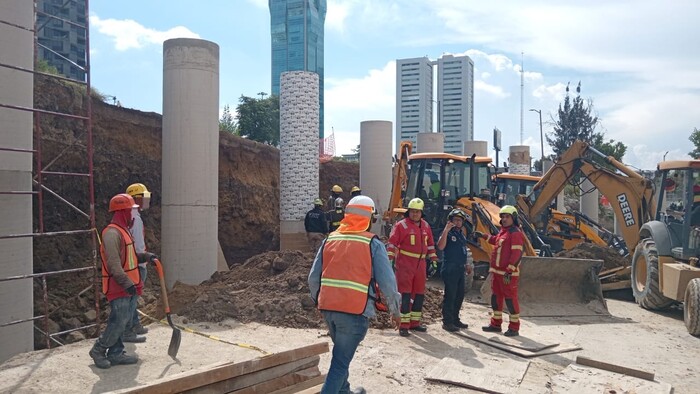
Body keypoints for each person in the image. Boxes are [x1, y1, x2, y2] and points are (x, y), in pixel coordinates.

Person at [309, 195, 401, 394]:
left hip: (329, 310)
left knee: (341, 355)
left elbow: (313, 279)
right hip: (354, 312)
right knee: (340, 363)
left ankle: (344, 391)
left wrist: (318, 301)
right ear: (369, 218)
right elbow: (387, 282)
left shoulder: (330, 239)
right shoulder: (372, 244)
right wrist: (396, 310)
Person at [89, 194, 156, 369]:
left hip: (129, 285)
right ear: (123, 212)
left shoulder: (124, 231)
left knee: (122, 320)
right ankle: (98, 349)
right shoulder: (112, 233)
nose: (134, 215)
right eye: (131, 211)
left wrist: (145, 256)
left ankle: (116, 353)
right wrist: (127, 283)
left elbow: (130, 258)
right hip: (118, 286)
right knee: (119, 321)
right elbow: (113, 264)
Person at [386, 198, 438, 337]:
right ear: (409, 212)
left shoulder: (426, 226)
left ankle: (415, 323)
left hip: (421, 264)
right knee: (405, 294)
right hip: (405, 264)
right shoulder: (401, 226)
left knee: (419, 294)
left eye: (417, 212)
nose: (415, 214)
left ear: (421, 213)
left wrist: (433, 260)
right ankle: (403, 325)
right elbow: (392, 243)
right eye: (413, 211)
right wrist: (390, 259)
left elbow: (431, 245)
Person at [475, 205, 524, 337]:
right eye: (502, 216)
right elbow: (496, 241)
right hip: (497, 272)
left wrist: (510, 270)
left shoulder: (516, 233)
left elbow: (517, 253)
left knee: (510, 299)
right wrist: (484, 236)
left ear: (513, 218)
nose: (504, 219)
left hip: (508, 274)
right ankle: (496, 324)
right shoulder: (504, 232)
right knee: (496, 298)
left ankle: (514, 327)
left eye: (507, 216)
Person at [436, 208, 473, 332]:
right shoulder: (448, 233)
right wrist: (446, 230)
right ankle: (447, 322)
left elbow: (463, 250)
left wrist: (467, 264)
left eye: (460, 220)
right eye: (455, 220)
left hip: (460, 269)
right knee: (450, 296)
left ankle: (455, 319)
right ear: (450, 221)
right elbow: (441, 246)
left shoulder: (461, 234)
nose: (457, 223)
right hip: (450, 268)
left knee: (459, 295)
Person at [123, 182, 151, 342]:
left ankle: (135, 324)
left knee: (132, 297)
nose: (146, 200)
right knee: (132, 299)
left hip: (130, 263)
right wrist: (144, 259)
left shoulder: (129, 215)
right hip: (136, 265)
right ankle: (128, 331)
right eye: (144, 197)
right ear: (135, 199)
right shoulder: (135, 218)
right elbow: (138, 244)